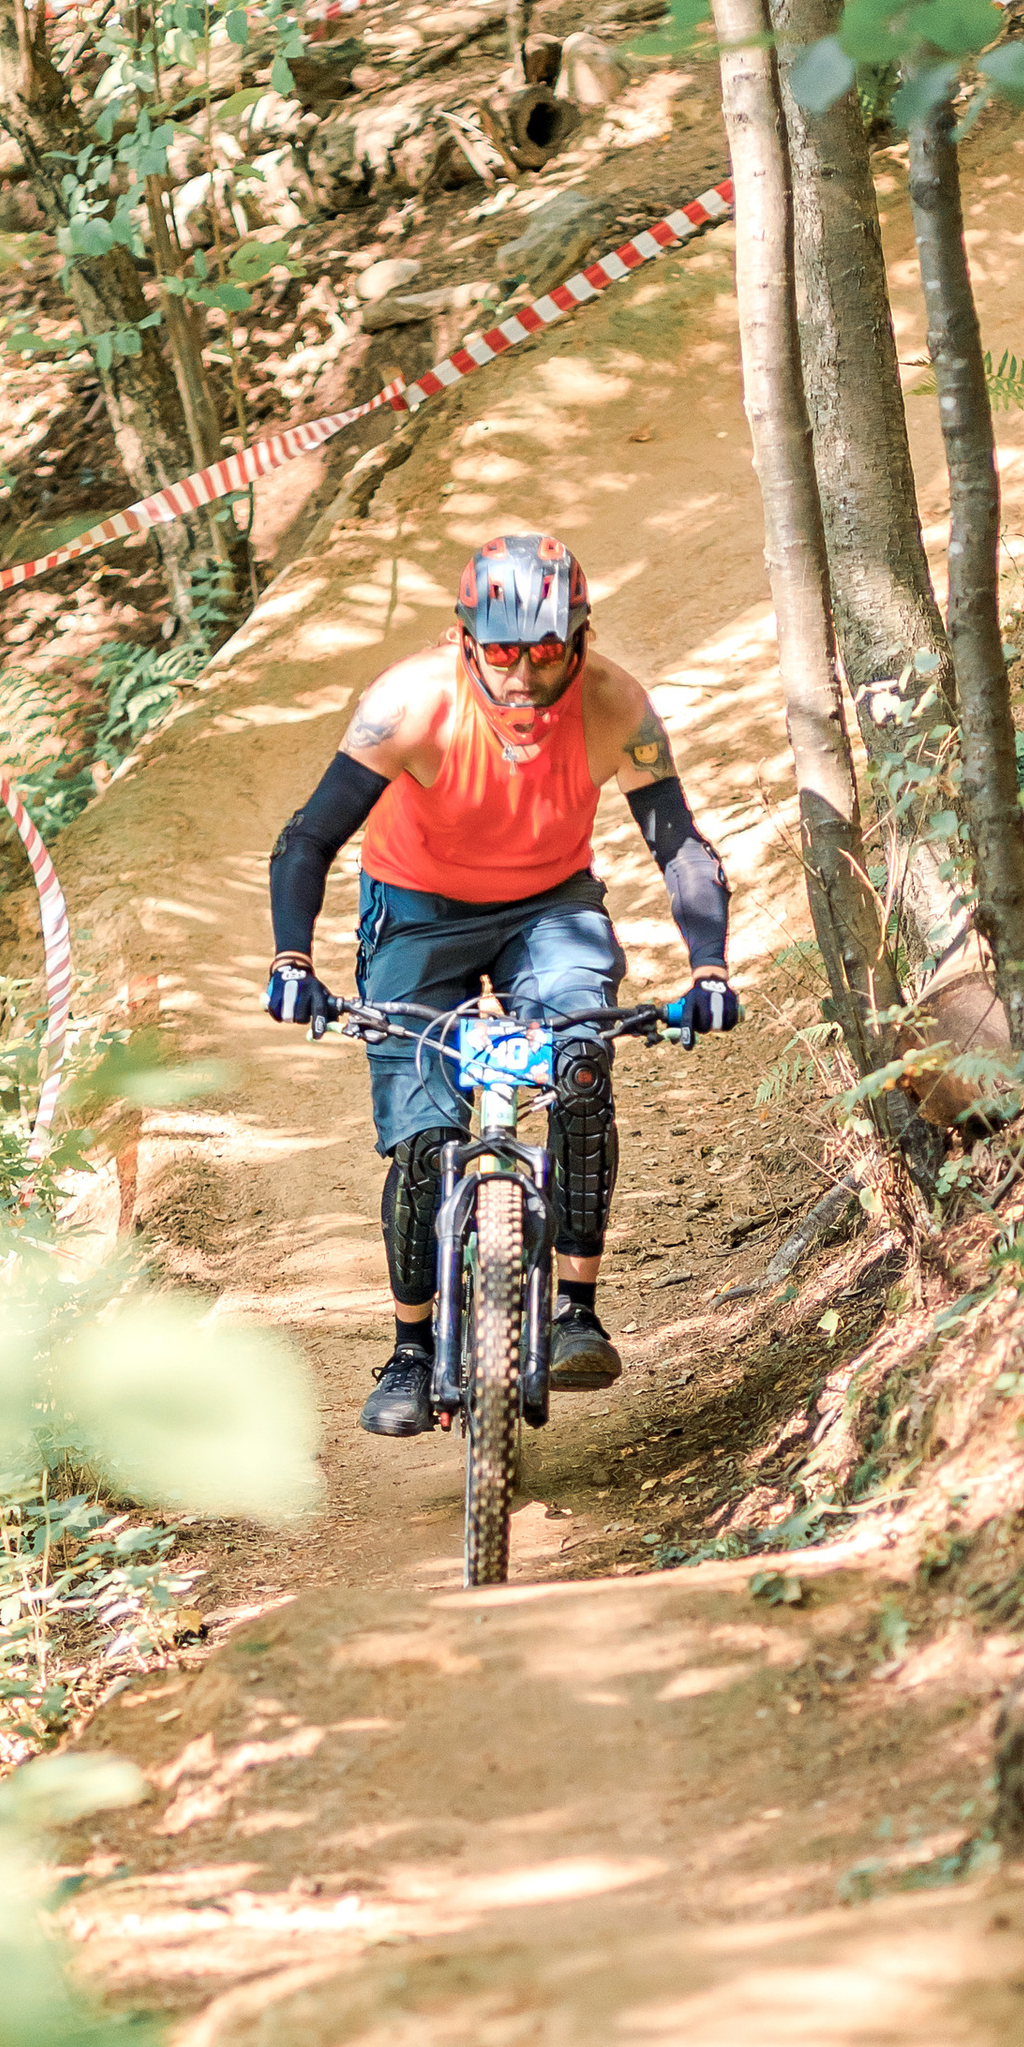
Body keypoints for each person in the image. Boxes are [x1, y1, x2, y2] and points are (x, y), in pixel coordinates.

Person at [264, 530, 739, 1437]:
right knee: (422, 1134)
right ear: (466, 640)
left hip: (550, 908)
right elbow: (309, 839)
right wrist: (293, 960)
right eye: (504, 652)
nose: (524, 677)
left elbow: (676, 842)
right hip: (416, 910)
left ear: (582, 640)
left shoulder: (613, 706)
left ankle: (577, 1314)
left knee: (581, 1064)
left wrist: (709, 967)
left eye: (548, 651)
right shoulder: (408, 702)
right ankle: (409, 1351)